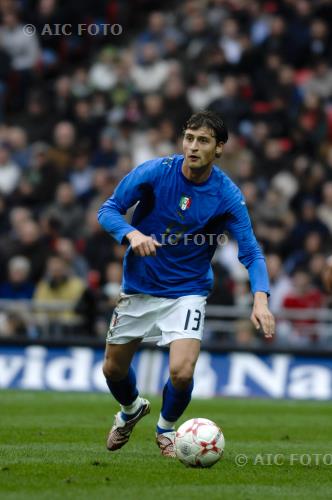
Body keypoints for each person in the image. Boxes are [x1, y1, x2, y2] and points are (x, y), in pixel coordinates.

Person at [97, 110, 275, 458]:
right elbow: (109, 209)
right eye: (189, 138)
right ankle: (132, 409)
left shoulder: (226, 195)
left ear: (219, 148)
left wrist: (260, 298)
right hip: (140, 286)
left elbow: (251, 251)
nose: (193, 147)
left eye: (203, 141)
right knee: (112, 368)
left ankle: (165, 429)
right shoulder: (155, 172)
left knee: (181, 371)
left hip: (187, 291)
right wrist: (131, 234)